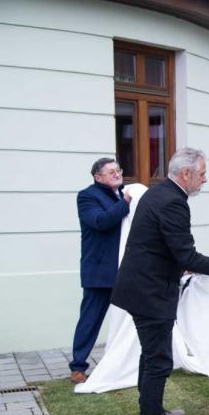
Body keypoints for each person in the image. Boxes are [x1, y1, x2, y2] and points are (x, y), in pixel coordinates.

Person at [111, 148, 209, 415]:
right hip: (150, 292)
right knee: (158, 361)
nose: (205, 179)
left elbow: (168, 249)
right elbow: (185, 256)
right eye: (203, 173)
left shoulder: (159, 194)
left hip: (141, 287)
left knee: (150, 355)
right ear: (186, 174)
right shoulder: (173, 202)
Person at [69, 158, 131, 384]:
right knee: (90, 320)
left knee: (134, 318)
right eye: (111, 172)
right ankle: (78, 367)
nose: (117, 174)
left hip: (126, 270)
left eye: (118, 170)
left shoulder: (125, 192)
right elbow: (100, 221)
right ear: (98, 177)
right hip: (100, 272)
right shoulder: (87, 196)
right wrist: (124, 203)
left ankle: (131, 361)